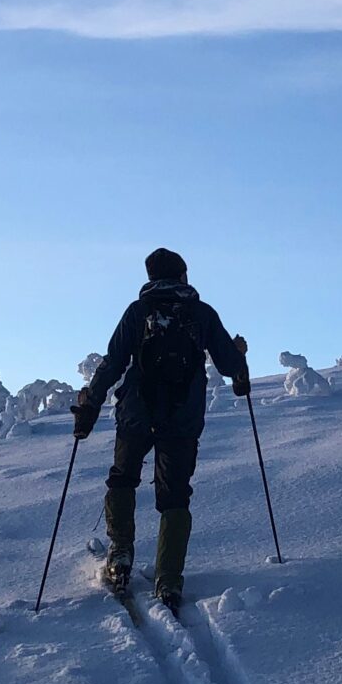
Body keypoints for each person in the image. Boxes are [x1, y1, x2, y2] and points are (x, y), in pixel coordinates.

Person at [72, 248, 249, 613]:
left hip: (136, 413)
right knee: (175, 497)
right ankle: (168, 578)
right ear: (183, 274)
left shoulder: (138, 312)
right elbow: (230, 366)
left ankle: (120, 553)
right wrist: (239, 355)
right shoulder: (201, 313)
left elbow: (113, 363)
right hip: (183, 419)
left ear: (151, 277)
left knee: (123, 478)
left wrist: (90, 403)